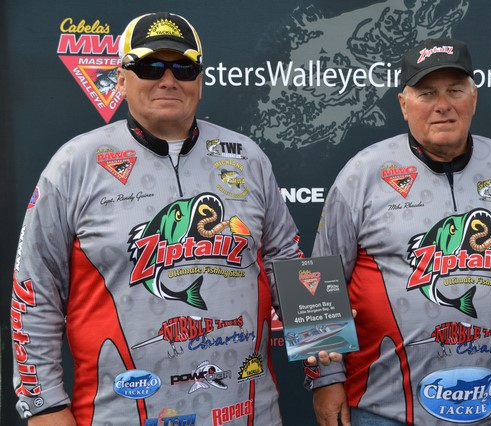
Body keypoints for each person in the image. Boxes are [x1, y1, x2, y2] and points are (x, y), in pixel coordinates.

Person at [10, 12, 303, 426]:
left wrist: (324, 350)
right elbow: (34, 291)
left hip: (248, 411)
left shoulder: (247, 156)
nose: (168, 80)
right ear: (122, 78)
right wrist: (43, 405)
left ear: (200, 79)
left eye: (184, 67)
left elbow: (288, 263)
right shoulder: (76, 163)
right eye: (150, 66)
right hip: (121, 414)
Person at [306, 38, 491, 425]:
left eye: (454, 91)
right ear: (404, 104)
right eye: (427, 93)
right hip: (385, 411)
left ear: (474, 98)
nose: (443, 105)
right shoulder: (362, 173)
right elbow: (317, 278)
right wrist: (325, 379)